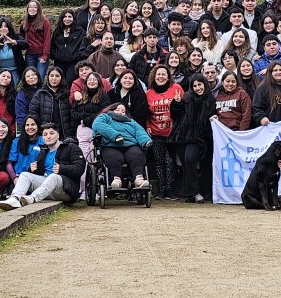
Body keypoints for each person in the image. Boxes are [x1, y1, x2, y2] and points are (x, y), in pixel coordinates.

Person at [0, 123, 86, 209]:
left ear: (58, 135)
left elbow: (79, 168)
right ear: (43, 138)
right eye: (45, 134)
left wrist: (62, 168)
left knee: (53, 177)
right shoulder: (43, 151)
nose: (48, 136)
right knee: (24, 174)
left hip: (66, 191)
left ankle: (32, 199)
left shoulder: (70, 147)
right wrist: (32, 170)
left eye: (52, 133)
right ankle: (14, 199)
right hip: (46, 190)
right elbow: (40, 174)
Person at [171, 75, 216, 203]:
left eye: (200, 85)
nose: (198, 88)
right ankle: (192, 193)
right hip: (187, 137)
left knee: (206, 165)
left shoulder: (211, 100)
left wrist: (214, 117)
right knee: (189, 161)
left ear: (205, 85)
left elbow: (213, 116)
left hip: (205, 138)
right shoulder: (186, 98)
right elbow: (175, 115)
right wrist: (176, 103)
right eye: (195, 86)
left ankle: (208, 193)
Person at [145, 64, 184, 200]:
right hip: (156, 132)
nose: (161, 77)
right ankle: (161, 190)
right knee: (159, 161)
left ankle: (170, 189)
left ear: (168, 77)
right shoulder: (148, 93)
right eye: (158, 74)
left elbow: (183, 109)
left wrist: (179, 103)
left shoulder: (176, 89)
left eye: (163, 74)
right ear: (153, 77)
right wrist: (148, 125)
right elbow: (146, 113)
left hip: (172, 133)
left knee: (169, 161)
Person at [92, 104, 152, 189]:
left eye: (123, 111)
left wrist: (145, 141)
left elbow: (140, 131)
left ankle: (139, 179)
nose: (120, 112)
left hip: (130, 144)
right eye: (118, 110)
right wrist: (115, 136)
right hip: (110, 144)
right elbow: (97, 125)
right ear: (111, 109)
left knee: (137, 154)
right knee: (114, 157)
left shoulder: (131, 121)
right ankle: (116, 180)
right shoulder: (105, 117)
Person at [28, 66, 73, 138]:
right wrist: (40, 129)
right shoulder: (40, 93)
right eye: (51, 76)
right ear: (48, 77)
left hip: (64, 133)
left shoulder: (67, 94)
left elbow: (72, 114)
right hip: (46, 134)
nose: (54, 78)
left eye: (57, 76)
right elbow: (33, 113)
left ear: (61, 78)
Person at [252, 61, 281, 126]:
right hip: (269, 127)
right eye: (275, 70)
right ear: (270, 73)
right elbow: (256, 107)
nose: (278, 72)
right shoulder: (263, 87)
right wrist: (261, 118)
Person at [50, 9, 87, 83]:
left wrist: (77, 56)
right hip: (59, 62)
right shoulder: (57, 31)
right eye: (65, 17)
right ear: (62, 18)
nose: (67, 19)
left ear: (73, 18)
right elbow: (52, 45)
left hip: (73, 63)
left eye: (70, 17)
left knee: (69, 82)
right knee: (59, 83)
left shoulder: (79, 31)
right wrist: (55, 55)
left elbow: (83, 45)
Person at [0, 17, 26, 85]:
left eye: (5, 26)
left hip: (15, 71)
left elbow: (26, 44)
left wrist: (15, 42)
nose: (3, 28)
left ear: (9, 28)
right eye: (0, 27)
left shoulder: (15, 36)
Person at [20, 0, 52, 77]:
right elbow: (21, 37)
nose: (32, 9)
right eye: (30, 7)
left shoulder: (45, 22)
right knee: (31, 77)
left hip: (41, 55)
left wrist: (45, 55)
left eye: (35, 7)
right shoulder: (25, 23)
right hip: (30, 55)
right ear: (27, 9)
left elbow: (47, 39)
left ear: (38, 9)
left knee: (40, 77)